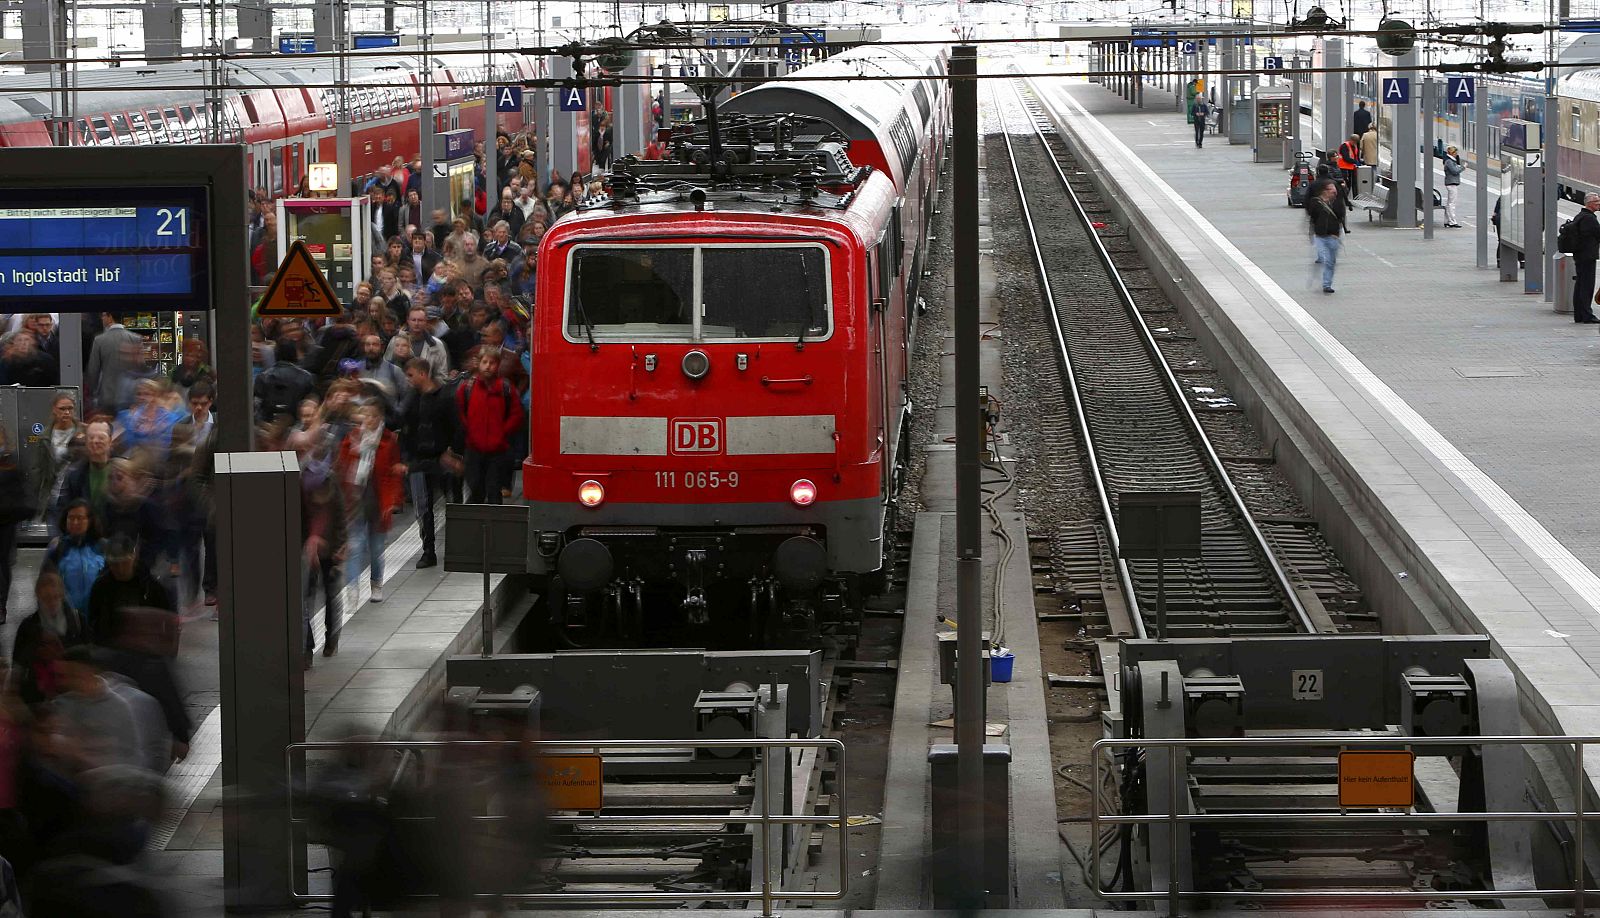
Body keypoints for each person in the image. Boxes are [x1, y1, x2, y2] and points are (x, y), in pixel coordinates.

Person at [340, 403, 404, 603]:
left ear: (378, 419)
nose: (365, 420)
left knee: (376, 548)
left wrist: (394, 500)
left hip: (378, 501)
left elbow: (394, 473)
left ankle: (376, 584)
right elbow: (342, 467)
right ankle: (352, 587)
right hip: (356, 500)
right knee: (355, 545)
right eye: (363, 415)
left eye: (370, 416)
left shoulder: (388, 441)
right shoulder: (351, 439)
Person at [400, 358, 458, 568]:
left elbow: (456, 426)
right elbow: (403, 425)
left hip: (442, 457)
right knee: (423, 508)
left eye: (411, 375)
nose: (408, 380)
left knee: (452, 502)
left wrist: (453, 452)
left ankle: (456, 548)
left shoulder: (445, 397)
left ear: (423, 374)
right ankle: (428, 550)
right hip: (418, 459)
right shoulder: (411, 399)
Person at [455, 349, 523, 504]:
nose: (488, 366)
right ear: (478, 364)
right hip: (473, 449)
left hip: (497, 450)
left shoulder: (506, 389)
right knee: (476, 488)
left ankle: (494, 526)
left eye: (492, 363)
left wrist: (503, 433)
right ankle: (474, 525)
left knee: (494, 490)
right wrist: (469, 433)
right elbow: (459, 414)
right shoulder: (466, 389)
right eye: (484, 362)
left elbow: (516, 414)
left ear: (498, 366)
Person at [301, 437, 347, 666]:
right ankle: (308, 647)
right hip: (309, 548)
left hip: (329, 548)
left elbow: (339, 514)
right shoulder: (301, 481)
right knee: (308, 597)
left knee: (327, 594)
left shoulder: (330, 480)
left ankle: (331, 638)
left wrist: (340, 546)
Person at [85, 534, 175, 646]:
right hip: (110, 648)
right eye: (115, 564)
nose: (120, 569)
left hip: (145, 649)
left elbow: (167, 620)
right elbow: (93, 620)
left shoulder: (151, 586)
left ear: (134, 557)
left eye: (124, 562)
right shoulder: (101, 586)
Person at [45, 500, 106, 617]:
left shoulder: (102, 547)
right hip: (67, 617)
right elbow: (46, 583)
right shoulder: (58, 548)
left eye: (80, 518)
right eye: (71, 518)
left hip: (97, 616)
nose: (75, 522)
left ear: (90, 521)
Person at [1307, 180, 1345, 294]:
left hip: (1333, 236)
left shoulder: (1337, 203)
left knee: (1330, 262)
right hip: (1320, 236)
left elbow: (1341, 216)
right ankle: (1324, 281)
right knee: (1324, 258)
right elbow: (1312, 217)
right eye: (1332, 190)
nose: (1334, 192)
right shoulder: (1316, 203)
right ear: (1325, 191)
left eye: (1335, 191)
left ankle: (1327, 284)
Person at [1569, 192, 1600, 323]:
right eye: (1597, 202)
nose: (1599, 204)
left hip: (1581, 255)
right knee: (1586, 286)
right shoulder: (1589, 219)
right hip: (1587, 256)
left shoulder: (1580, 216)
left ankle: (1579, 315)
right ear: (1589, 204)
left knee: (1580, 285)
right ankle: (1587, 315)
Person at [1435, 144, 1464, 228]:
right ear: (1452, 153)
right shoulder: (1449, 161)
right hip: (1451, 184)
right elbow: (1455, 171)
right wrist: (1463, 167)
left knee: (1449, 203)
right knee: (1452, 204)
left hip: (1451, 183)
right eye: (1455, 153)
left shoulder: (1450, 161)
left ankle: (1447, 221)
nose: (1456, 154)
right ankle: (1452, 221)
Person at [1334, 134, 1360, 198]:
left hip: (1352, 167)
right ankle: (1344, 198)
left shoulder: (1355, 146)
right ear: (1351, 140)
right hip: (1344, 167)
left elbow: (1355, 156)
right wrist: (1355, 162)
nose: (1354, 143)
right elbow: (1346, 158)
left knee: (1354, 183)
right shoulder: (1345, 146)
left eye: (1356, 142)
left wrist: (1358, 161)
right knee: (1346, 183)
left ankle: (1355, 197)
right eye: (1354, 141)